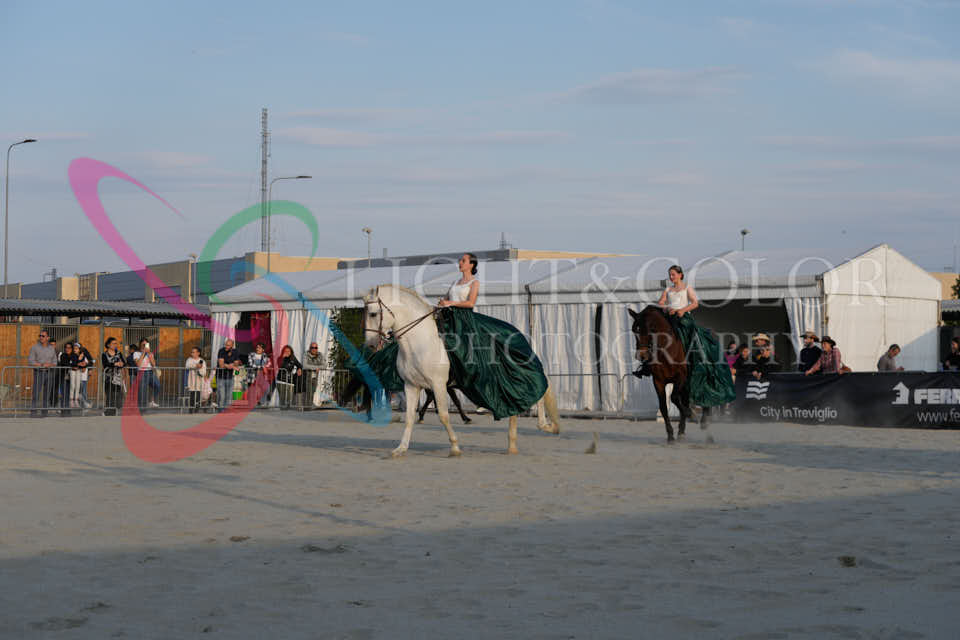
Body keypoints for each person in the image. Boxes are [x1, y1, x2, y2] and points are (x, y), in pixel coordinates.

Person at [434, 253, 550, 420]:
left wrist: (450, 303)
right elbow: (444, 300)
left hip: (465, 320)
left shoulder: (474, 283)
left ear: (471, 265)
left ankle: (481, 387)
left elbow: (470, 303)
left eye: (463, 261)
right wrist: (441, 303)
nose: (460, 263)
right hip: (450, 319)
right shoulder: (455, 282)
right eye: (460, 260)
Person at [654, 264, 736, 407]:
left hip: (684, 318)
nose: (671, 277)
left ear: (680, 275)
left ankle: (698, 358)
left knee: (694, 337)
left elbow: (695, 303)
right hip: (671, 318)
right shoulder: (668, 290)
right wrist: (667, 307)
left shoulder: (687, 288)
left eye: (673, 274)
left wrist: (682, 310)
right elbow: (660, 302)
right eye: (670, 275)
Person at [28, 330, 58, 417]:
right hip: (39, 372)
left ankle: (45, 412)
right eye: (40, 335)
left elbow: (55, 362)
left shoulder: (52, 348)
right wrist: (41, 365)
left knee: (47, 394)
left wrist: (49, 365)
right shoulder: (34, 348)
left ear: (47, 338)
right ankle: (33, 412)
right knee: (36, 394)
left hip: (49, 373)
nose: (41, 337)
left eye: (43, 336)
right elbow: (31, 361)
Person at [101, 337, 126, 416]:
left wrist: (122, 364)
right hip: (108, 378)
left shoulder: (118, 353)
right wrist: (115, 364)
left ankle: (115, 410)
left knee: (118, 394)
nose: (115, 345)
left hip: (118, 377)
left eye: (116, 343)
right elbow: (105, 364)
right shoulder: (104, 354)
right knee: (109, 395)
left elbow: (124, 362)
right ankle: (108, 411)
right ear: (108, 345)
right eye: (114, 343)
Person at [216, 339, 242, 411]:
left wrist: (230, 365)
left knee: (229, 396)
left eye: (228, 345)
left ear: (232, 346)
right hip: (221, 376)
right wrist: (231, 366)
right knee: (222, 395)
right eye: (226, 345)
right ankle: (220, 410)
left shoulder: (235, 352)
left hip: (230, 377)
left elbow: (237, 363)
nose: (226, 347)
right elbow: (221, 365)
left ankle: (227, 410)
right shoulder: (221, 351)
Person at [134, 339, 161, 409]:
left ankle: (151, 401)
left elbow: (153, 364)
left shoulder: (150, 353)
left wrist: (149, 354)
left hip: (150, 371)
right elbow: (138, 364)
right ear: (140, 345)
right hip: (142, 372)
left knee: (157, 385)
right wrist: (143, 353)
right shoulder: (136, 353)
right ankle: (141, 406)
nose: (144, 346)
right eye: (143, 344)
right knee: (142, 390)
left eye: (146, 344)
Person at [276, 344, 304, 409]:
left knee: (289, 399)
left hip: (289, 381)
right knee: (282, 399)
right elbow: (281, 366)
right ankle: (282, 411)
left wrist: (299, 368)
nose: (287, 352)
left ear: (291, 352)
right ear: (283, 351)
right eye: (285, 351)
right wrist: (283, 358)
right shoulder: (280, 358)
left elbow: (300, 365)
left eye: (289, 351)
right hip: (281, 381)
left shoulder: (293, 358)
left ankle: (287, 413)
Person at [246, 343, 273, 407]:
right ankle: (251, 404)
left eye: (259, 348)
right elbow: (251, 364)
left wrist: (263, 367)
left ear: (263, 349)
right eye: (257, 347)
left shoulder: (265, 356)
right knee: (252, 390)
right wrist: (262, 367)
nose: (257, 349)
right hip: (252, 375)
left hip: (262, 375)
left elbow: (269, 363)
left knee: (267, 388)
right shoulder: (251, 355)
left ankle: (261, 402)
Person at [302, 341, 325, 409]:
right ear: (310, 348)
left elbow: (324, 365)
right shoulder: (306, 354)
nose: (314, 349)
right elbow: (305, 365)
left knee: (313, 391)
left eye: (315, 348)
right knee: (308, 392)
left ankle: (309, 406)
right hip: (307, 376)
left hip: (315, 377)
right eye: (312, 347)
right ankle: (307, 407)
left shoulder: (320, 355)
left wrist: (316, 368)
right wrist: (316, 368)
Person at [185, 346, 206, 414]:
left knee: (198, 395)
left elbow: (204, 371)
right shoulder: (189, 359)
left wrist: (200, 370)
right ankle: (191, 409)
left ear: (198, 353)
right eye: (192, 352)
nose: (192, 353)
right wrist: (196, 366)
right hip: (191, 380)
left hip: (199, 380)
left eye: (193, 352)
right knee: (192, 395)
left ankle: (197, 409)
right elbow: (187, 366)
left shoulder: (202, 361)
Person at [58, 342, 76, 415]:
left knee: (70, 394)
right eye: (66, 347)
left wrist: (73, 364)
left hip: (73, 377)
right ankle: (63, 410)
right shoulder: (63, 355)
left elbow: (76, 363)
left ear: (72, 349)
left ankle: (68, 410)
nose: (67, 349)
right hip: (64, 377)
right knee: (64, 394)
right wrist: (72, 365)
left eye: (69, 348)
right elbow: (65, 363)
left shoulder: (74, 355)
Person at [74, 341, 94, 408]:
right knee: (78, 391)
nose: (75, 349)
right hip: (76, 375)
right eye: (74, 348)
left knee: (83, 390)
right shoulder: (74, 355)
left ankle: (87, 403)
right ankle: (84, 403)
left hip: (83, 376)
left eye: (77, 348)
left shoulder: (84, 354)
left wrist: (89, 369)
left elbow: (90, 361)